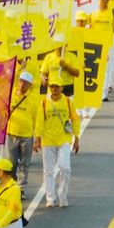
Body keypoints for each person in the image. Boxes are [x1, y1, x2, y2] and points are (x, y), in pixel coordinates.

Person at [34, 72, 80, 208]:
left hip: (64, 140)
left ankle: (63, 196)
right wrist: (37, 138)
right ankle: (50, 197)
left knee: (65, 168)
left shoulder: (67, 102)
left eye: (57, 86)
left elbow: (75, 120)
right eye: (52, 86)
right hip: (48, 141)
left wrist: (76, 138)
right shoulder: (44, 102)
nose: (54, 89)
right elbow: (39, 122)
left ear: (61, 88)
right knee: (48, 171)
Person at [4, 70, 37, 185]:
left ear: (30, 85)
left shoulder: (33, 99)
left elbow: (36, 118)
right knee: (11, 163)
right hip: (11, 133)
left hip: (26, 135)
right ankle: (12, 184)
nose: (22, 84)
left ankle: (21, 187)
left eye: (25, 83)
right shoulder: (10, 94)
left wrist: (38, 137)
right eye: (21, 81)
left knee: (24, 163)